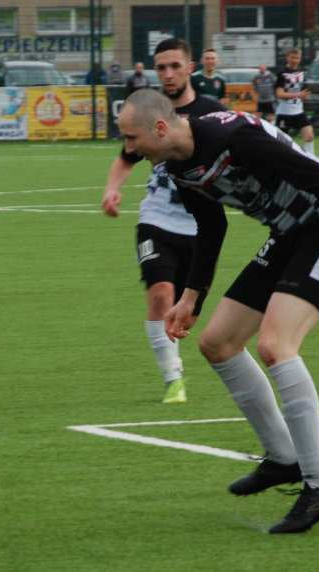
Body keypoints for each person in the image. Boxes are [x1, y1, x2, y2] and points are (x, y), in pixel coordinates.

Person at [117, 88, 319, 533]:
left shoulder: (233, 136)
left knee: (275, 345)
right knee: (218, 343)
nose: (128, 149)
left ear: (161, 127)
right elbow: (210, 225)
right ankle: (284, 458)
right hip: (289, 233)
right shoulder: (175, 166)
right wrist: (191, 298)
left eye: (132, 138)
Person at [102, 38, 228, 404]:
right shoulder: (148, 110)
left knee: (185, 315)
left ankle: (182, 360)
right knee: (160, 295)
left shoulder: (212, 111)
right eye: (161, 68)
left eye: (175, 66)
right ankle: (173, 378)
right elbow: (126, 157)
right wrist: (112, 189)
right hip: (156, 220)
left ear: (191, 68)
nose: (168, 74)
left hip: (200, 227)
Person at [275, 47, 315, 155]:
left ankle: (310, 159)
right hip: (284, 113)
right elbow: (279, 94)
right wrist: (298, 95)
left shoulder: (302, 72)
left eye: (297, 58)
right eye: (292, 57)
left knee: (309, 136)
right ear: (287, 58)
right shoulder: (282, 73)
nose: (295, 60)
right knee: (280, 144)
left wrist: (304, 96)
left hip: (298, 112)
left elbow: (302, 90)